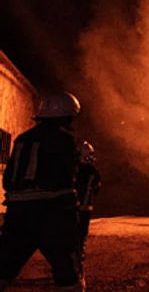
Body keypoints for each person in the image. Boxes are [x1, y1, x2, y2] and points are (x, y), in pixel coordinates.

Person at [0, 92, 84, 291]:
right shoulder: (65, 140)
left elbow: (9, 177)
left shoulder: (22, 139)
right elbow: (66, 179)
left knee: (3, 268)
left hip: (17, 212)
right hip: (52, 212)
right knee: (68, 275)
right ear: (66, 116)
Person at [74, 140, 101, 262]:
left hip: (71, 207)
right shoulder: (94, 172)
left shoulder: (73, 169)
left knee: (71, 232)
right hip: (84, 208)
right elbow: (96, 190)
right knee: (81, 232)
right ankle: (79, 254)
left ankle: (73, 255)